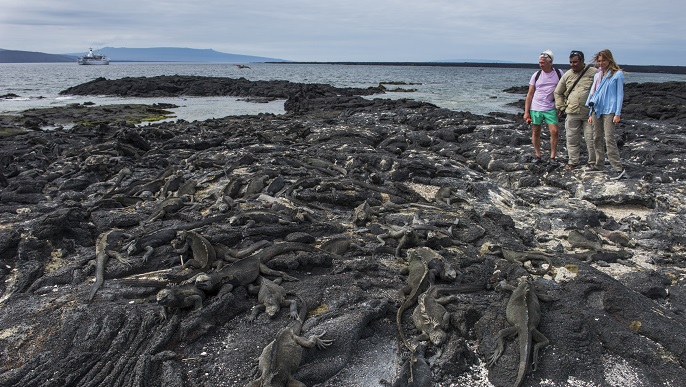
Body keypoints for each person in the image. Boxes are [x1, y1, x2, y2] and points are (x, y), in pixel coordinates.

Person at [585, 49, 627, 179]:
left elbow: (620, 95)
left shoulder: (617, 75)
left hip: (610, 110)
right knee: (596, 137)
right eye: (599, 61)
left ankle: (618, 168)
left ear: (609, 60)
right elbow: (593, 94)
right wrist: (590, 113)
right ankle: (599, 164)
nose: (601, 63)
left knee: (609, 138)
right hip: (596, 109)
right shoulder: (598, 75)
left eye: (603, 60)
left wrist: (617, 113)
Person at [554, 50, 598, 170]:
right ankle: (573, 161)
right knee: (572, 139)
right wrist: (560, 107)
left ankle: (593, 162)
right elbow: (558, 92)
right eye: (571, 62)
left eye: (575, 62)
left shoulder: (594, 73)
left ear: (582, 61)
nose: (572, 64)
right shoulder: (567, 75)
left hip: (589, 113)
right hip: (572, 112)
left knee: (591, 138)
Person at [524, 50, 562, 164]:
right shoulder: (536, 75)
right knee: (536, 131)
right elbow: (530, 94)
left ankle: (552, 157)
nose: (540, 64)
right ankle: (538, 155)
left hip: (551, 107)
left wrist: (561, 106)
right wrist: (526, 112)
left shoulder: (559, 73)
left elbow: (564, 90)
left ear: (550, 62)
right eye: (540, 62)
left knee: (554, 131)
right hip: (536, 107)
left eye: (543, 62)